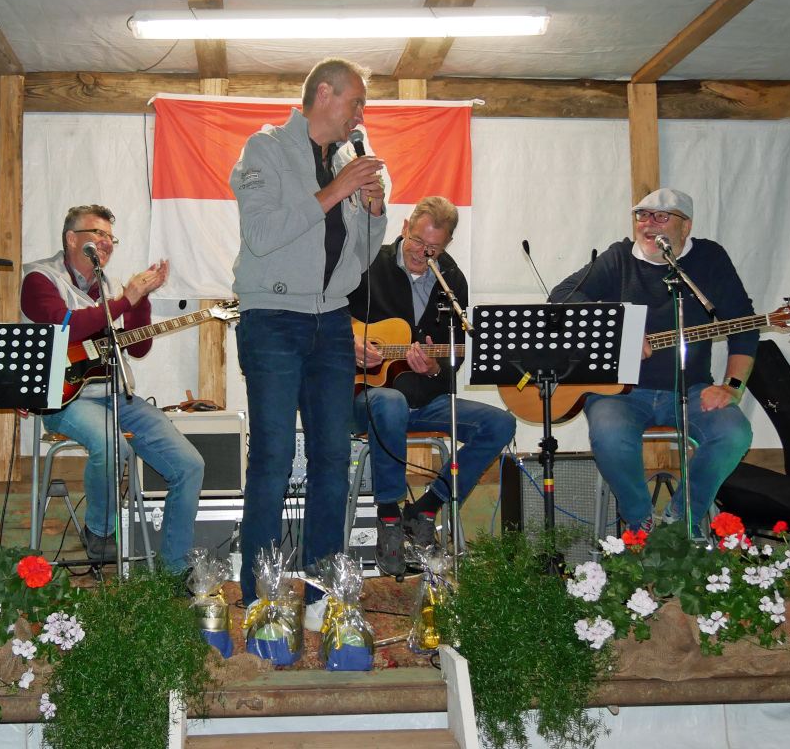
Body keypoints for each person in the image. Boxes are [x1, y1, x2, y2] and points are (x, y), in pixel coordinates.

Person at [231, 58, 387, 629]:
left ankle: (322, 591)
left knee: (333, 458)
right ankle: (261, 594)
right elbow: (261, 234)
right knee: (273, 457)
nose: (360, 115)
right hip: (273, 318)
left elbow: (361, 256)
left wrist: (373, 211)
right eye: (355, 102)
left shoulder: (345, 159)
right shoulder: (265, 148)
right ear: (325, 93)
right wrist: (335, 190)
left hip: (332, 321)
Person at [548, 188, 756, 534]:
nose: (648, 224)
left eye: (661, 216)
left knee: (734, 433)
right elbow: (561, 297)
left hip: (691, 390)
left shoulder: (709, 259)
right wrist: (618, 327)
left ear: (685, 226)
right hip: (621, 392)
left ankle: (682, 520)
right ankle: (639, 520)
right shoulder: (619, 257)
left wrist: (731, 387)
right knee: (609, 434)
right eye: (642, 215)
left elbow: (744, 326)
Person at [20, 204, 204, 570]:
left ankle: (175, 568)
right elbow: (63, 326)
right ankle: (101, 531)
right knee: (112, 444)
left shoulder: (113, 288)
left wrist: (141, 299)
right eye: (98, 234)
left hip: (119, 396)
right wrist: (125, 301)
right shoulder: (39, 279)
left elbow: (139, 348)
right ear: (72, 238)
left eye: (110, 237)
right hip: (64, 400)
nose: (106, 242)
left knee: (190, 464)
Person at [350, 196, 516, 575]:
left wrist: (434, 369)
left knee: (501, 424)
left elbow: (453, 359)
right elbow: (325, 313)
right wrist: (349, 340)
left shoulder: (452, 282)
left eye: (433, 248)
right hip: (364, 400)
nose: (422, 252)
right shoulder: (367, 264)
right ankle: (388, 516)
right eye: (417, 240)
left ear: (447, 244)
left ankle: (426, 507)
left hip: (426, 401)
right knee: (389, 402)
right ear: (405, 227)